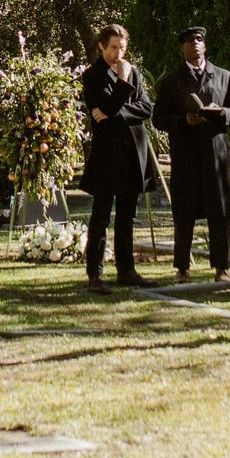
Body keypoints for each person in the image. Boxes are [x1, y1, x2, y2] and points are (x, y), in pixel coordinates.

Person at [154, 25, 230, 282]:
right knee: (185, 213)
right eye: (189, 40)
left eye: (199, 39)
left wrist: (220, 113)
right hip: (186, 155)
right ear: (182, 47)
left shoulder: (224, 77)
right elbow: (159, 118)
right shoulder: (172, 81)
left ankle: (222, 268)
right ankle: (182, 268)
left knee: (220, 212)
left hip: (217, 155)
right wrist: (184, 120)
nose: (195, 43)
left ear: (205, 46)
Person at [76, 24, 160, 293]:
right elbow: (100, 109)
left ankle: (126, 271)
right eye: (113, 47)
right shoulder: (92, 76)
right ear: (102, 46)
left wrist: (116, 113)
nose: (118, 53)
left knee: (127, 215)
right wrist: (122, 85)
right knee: (101, 215)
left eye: (122, 48)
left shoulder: (133, 71)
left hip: (132, 155)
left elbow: (146, 108)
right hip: (106, 156)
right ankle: (95, 275)